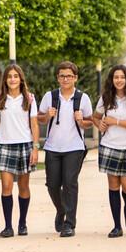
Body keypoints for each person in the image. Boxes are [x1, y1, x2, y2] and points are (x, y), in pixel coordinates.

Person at [38, 60, 94, 237]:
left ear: (75, 78)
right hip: (52, 147)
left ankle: (69, 223)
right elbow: (39, 119)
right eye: (62, 76)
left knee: (70, 184)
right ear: (57, 78)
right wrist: (47, 115)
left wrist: (81, 120)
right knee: (52, 184)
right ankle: (61, 210)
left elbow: (89, 123)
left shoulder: (82, 98)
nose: (65, 79)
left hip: (74, 147)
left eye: (69, 76)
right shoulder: (50, 96)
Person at [93, 64, 126, 237]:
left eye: (122, 77)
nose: (119, 80)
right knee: (113, 186)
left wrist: (115, 121)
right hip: (109, 146)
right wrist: (99, 123)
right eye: (116, 77)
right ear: (112, 79)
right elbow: (95, 117)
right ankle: (117, 226)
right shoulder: (106, 98)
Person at [0, 63, 38, 238]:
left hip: (25, 145)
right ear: (5, 80)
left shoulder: (29, 99)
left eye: (16, 76)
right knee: (6, 186)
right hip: (5, 145)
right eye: (9, 76)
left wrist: (35, 148)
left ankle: (22, 223)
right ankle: (8, 226)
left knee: (24, 186)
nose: (12, 79)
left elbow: (34, 124)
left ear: (21, 79)